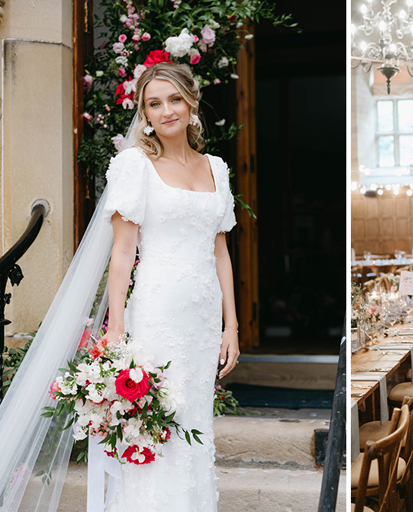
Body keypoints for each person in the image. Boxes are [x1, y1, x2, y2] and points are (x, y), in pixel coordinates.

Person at [99, 62, 240, 511]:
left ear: (191, 102)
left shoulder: (216, 167)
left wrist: (230, 326)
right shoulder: (134, 165)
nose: (166, 111)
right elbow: (122, 252)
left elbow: (221, 252)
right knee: (158, 425)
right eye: (154, 104)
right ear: (144, 113)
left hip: (201, 322)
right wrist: (116, 327)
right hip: (157, 314)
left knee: (194, 424)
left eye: (174, 99)